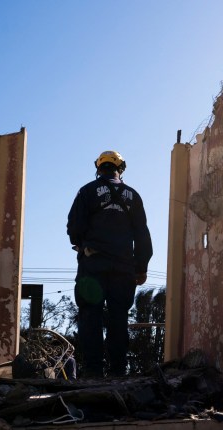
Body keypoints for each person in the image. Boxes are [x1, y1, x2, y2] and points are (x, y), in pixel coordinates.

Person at [67, 150, 153, 378]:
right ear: (120, 168)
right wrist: (141, 266)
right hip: (123, 269)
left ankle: (94, 371)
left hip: (92, 266)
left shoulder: (87, 191)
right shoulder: (133, 196)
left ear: (98, 168)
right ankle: (118, 371)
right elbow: (142, 234)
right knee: (119, 318)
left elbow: (74, 226)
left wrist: (81, 244)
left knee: (90, 316)